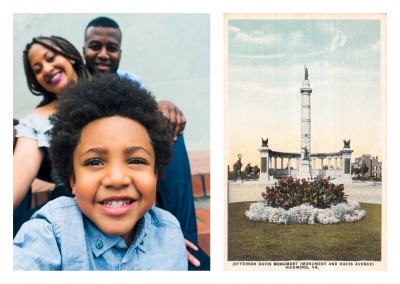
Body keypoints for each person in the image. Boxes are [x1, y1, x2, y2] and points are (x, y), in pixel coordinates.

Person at [14, 74, 188, 270]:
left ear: (155, 176)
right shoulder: (52, 231)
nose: (116, 179)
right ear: (73, 180)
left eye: (136, 160)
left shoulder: (169, 234)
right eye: (95, 161)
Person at [83, 16, 206, 268]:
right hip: (100, 166)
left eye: (112, 48)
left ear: (120, 52)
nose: (104, 54)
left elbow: (149, 113)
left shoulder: (130, 82)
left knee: (168, 127)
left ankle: (184, 240)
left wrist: (163, 105)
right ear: (84, 49)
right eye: (95, 46)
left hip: (133, 160)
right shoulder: (75, 84)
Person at [13, 36, 90, 215]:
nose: (47, 69)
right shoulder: (36, 121)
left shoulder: (111, 91)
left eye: (50, 58)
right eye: (38, 69)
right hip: (69, 206)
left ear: (69, 55)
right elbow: (20, 169)